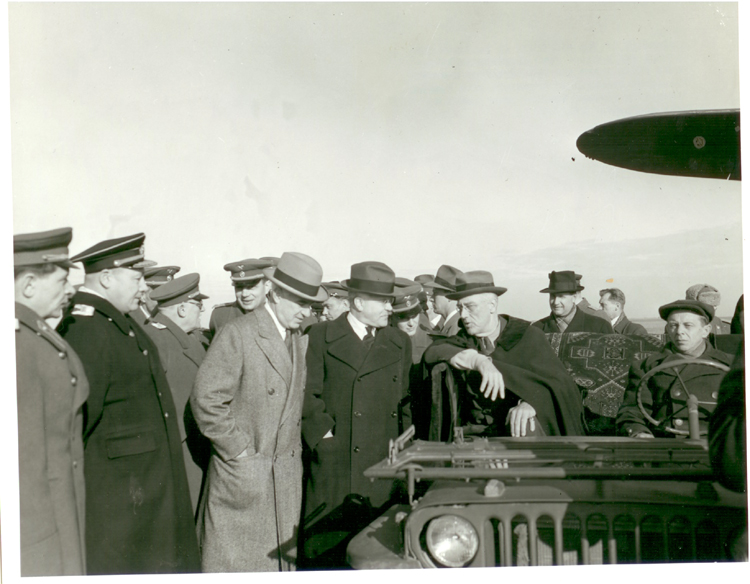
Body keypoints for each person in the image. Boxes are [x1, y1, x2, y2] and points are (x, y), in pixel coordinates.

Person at [57, 233, 200, 575]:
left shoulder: (114, 322)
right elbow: (78, 424)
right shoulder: (87, 328)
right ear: (106, 278)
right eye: (136, 279)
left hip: (139, 490)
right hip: (119, 499)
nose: (144, 288)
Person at [191, 252, 326, 572]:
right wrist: (240, 452)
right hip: (245, 479)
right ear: (275, 294)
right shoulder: (238, 333)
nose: (306, 312)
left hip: (283, 481)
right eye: (300, 303)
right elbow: (206, 400)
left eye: (310, 305)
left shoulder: (295, 337)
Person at [300, 261, 412, 569]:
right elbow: (307, 396)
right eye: (384, 301)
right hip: (337, 466)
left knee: (379, 554)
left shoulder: (399, 341)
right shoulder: (321, 336)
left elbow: (404, 403)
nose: (390, 308)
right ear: (359, 302)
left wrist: (403, 451)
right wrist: (325, 441)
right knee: (330, 554)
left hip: (384, 466)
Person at [423, 271, 584, 438]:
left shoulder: (527, 336)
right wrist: (478, 360)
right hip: (474, 438)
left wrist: (531, 403)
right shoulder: (464, 340)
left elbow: (559, 384)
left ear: (492, 306)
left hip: (517, 435)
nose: (463, 315)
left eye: (470, 307)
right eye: (460, 308)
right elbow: (433, 352)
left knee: (527, 425)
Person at [14, 227, 88, 576]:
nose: (69, 290)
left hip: (56, 517)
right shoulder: (16, 341)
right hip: (37, 535)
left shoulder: (33, 332)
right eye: (61, 281)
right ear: (29, 285)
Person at [617, 300, 732, 438]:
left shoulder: (731, 365)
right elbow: (631, 412)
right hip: (667, 444)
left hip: (718, 443)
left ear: (705, 331)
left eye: (688, 325)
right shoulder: (646, 366)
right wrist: (640, 432)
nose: (679, 332)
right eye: (673, 325)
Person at [143, 273, 210, 512]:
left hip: (193, 445)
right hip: (176, 448)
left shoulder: (189, 338)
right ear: (182, 309)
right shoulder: (156, 339)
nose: (202, 310)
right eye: (198, 305)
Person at [208, 258, 274, 339]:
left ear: (267, 286)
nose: (244, 294)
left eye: (251, 287)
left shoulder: (278, 314)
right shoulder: (220, 316)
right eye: (239, 287)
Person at [533, 271, 613, 333]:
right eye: (553, 296)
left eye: (561, 296)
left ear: (574, 297)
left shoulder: (599, 326)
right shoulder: (536, 329)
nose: (556, 302)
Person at [424, 264, 464, 336]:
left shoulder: (456, 326)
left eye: (435, 293)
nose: (431, 298)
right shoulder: (451, 323)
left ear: (449, 296)